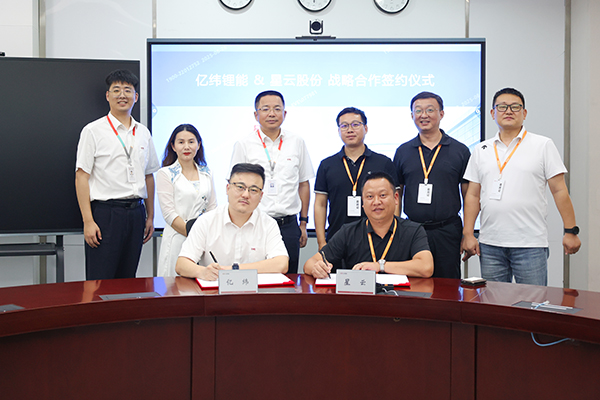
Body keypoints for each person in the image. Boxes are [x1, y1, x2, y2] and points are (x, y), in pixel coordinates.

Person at [461, 88, 581, 285]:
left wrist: (570, 231)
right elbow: (473, 195)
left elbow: (559, 190)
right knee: (494, 300)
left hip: (530, 244)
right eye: (502, 107)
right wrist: (468, 234)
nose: (509, 111)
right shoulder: (481, 149)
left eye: (515, 107)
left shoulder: (543, 145)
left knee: (532, 301)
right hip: (490, 244)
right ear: (492, 113)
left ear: (524, 113)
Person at [75, 69, 159, 280]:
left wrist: (150, 216)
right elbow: (81, 177)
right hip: (106, 215)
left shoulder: (143, 132)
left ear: (135, 97)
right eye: (116, 90)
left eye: (128, 90)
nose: (122, 95)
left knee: (128, 280)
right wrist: (88, 221)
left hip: (136, 214)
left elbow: (148, 176)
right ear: (108, 95)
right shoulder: (93, 131)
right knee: (100, 279)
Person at [230, 90, 314, 274]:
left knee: (289, 278)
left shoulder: (297, 142)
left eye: (277, 109)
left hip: (288, 225)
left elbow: (303, 184)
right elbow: (236, 186)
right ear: (256, 114)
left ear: (284, 113)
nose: (271, 113)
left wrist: (303, 223)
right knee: (254, 276)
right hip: (255, 224)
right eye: (265, 109)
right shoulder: (244, 144)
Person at [393, 92, 471, 279]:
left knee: (448, 284)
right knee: (415, 282)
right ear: (412, 115)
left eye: (430, 110)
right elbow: (397, 194)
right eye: (418, 111)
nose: (423, 115)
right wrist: (395, 228)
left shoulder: (460, 150)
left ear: (441, 114)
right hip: (413, 229)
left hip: (447, 230)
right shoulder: (403, 151)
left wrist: (468, 233)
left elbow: (469, 195)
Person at [304, 171, 433, 279]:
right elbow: (309, 263)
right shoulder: (349, 232)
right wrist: (317, 268)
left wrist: (380, 266)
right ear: (363, 202)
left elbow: (426, 267)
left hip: (399, 298)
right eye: (370, 196)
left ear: (395, 198)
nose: (376, 202)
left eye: (382, 195)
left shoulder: (413, 230)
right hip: (360, 298)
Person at [314, 107, 397, 271]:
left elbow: (395, 200)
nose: (350, 130)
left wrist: (394, 233)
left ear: (365, 128)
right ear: (338, 130)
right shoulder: (327, 165)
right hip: (337, 239)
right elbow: (320, 204)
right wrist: (322, 241)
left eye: (355, 124)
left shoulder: (383, 162)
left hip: (377, 238)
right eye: (344, 126)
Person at [176, 163, 289, 280]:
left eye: (253, 190)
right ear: (228, 188)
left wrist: (232, 270)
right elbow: (182, 264)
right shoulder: (206, 221)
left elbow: (281, 263)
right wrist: (203, 272)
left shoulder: (268, 224)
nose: (245, 195)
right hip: (215, 289)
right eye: (240, 187)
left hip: (254, 290)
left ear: (261, 196)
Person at [156, 124, 217, 277]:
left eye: (191, 142)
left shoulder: (207, 173)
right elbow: (169, 214)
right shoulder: (165, 173)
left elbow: (212, 208)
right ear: (173, 146)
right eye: (181, 142)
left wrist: (203, 237)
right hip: (178, 238)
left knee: (203, 282)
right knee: (175, 286)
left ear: (198, 144)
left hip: (203, 242)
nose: (186, 147)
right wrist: (193, 235)